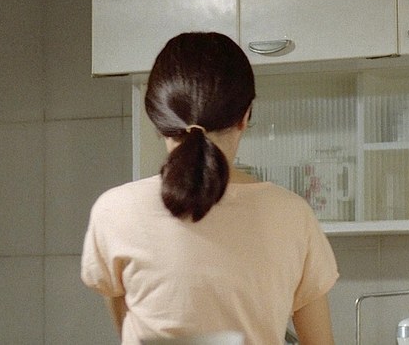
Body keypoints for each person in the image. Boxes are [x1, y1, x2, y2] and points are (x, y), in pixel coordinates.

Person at [81, 32, 338, 344]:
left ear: (158, 118)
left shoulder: (114, 211)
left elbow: (125, 324)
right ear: (245, 116)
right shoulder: (292, 215)